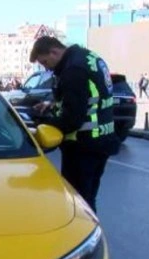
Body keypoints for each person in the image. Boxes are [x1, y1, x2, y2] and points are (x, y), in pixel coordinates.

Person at [29, 37, 120, 213]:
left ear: (54, 52)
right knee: (88, 199)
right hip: (102, 140)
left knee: (78, 205)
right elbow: (89, 100)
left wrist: (42, 122)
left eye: (45, 62)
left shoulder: (73, 70)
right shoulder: (89, 57)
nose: (47, 68)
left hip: (83, 146)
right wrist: (53, 105)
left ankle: (86, 238)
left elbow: (72, 120)